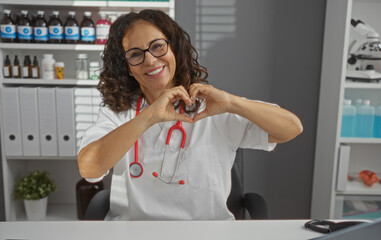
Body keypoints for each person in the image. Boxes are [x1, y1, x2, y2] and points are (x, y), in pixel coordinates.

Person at [77, 9, 303, 221]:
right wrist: (149, 117)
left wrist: (234, 103)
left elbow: (292, 128)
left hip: (207, 232)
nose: (150, 60)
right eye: (135, 54)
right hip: (135, 231)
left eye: (157, 46)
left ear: (174, 48)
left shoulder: (213, 106)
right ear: (127, 67)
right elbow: (90, 168)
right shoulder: (119, 113)